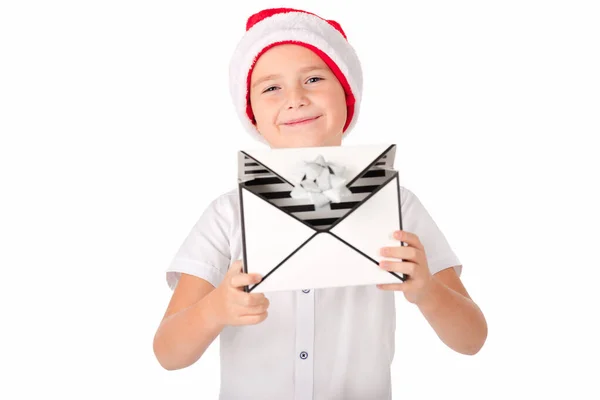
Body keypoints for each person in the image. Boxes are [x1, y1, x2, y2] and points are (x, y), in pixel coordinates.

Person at [153, 7, 487, 400]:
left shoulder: (397, 205)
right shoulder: (227, 214)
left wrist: (428, 291)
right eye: (271, 88)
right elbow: (168, 353)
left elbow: (471, 339)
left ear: (347, 97)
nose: (295, 99)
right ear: (253, 115)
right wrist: (215, 310)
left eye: (313, 79)